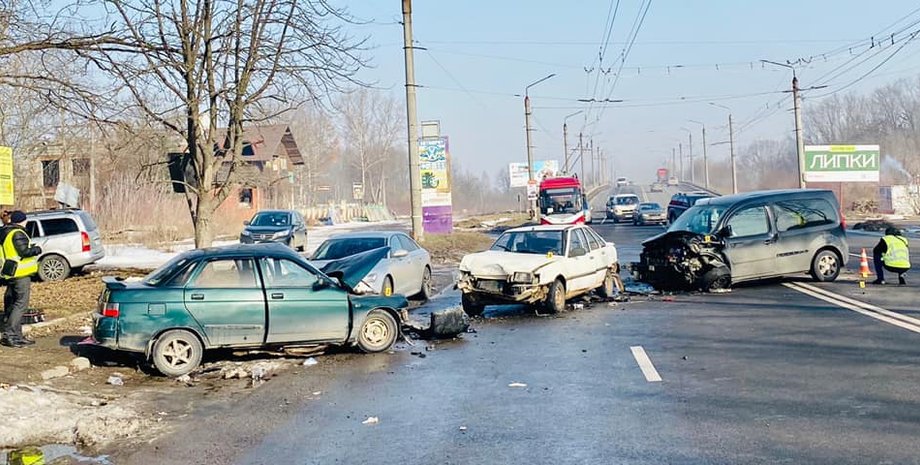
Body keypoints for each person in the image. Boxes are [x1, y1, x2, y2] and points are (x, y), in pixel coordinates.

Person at [0, 211, 42, 347]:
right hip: (20, 273)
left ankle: (17, 336)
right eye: (25, 220)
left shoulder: (5, 232)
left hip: (10, 272)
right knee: (21, 305)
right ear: (22, 220)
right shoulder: (17, 233)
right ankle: (10, 335)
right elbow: (24, 252)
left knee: (13, 304)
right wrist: (36, 249)